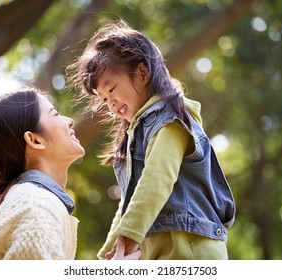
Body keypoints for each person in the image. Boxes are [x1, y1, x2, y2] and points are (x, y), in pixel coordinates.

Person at [66, 20, 236, 260]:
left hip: (190, 246)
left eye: (112, 89)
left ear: (142, 73)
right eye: (103, 99)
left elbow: (158, 178)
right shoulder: (134, 135)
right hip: (159, 249)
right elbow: (129, 200)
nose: (111, 104)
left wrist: (130, 233)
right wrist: (111, 249)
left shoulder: (171, 119)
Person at [0, 87, 140, 260]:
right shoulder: (35, 208)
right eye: (56, 114)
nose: (70, 121)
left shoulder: (31, 201)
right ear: (34, 140)